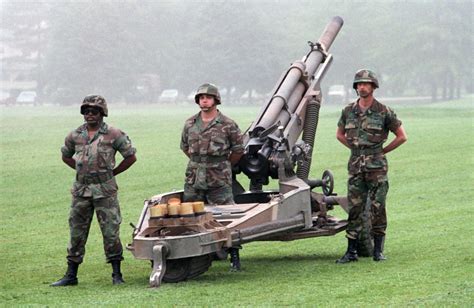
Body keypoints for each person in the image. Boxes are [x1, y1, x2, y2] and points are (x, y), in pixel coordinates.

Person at [51, 95, 137, 286]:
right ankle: (71, 275)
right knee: (76, 232)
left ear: (102, 113)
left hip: (105, 191)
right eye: (86, 111)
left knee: (111, 232)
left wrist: (112, 173)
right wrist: (81, 170)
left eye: (94, 111)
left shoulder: (114, 134)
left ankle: (117, 275)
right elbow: (65, 155)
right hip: (81, 190)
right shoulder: (75, 135)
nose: (90, 115)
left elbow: (130, 157)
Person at [335, 69, 407, 263]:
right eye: (359, 84)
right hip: (356, 166)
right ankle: (351, 252)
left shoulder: (384, 111)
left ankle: (378, 251)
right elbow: (340, 134)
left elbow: (402, 136)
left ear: (373, 87)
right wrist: (355, 149)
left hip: (377, 167)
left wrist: (382, 151)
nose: (362, 87)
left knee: (378, 206)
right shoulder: (348, 111)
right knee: (355, 208)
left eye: (366, 84)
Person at [180, 83, 244, 270]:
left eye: (207, 97)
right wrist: (199, 163)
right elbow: (185, 147)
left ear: (216, 100)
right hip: (194, 178)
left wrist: (223, 166)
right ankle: (195, 255)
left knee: (227, 216)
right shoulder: (190, 124)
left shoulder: (227, 124)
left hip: (219, 177)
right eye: (201, 98)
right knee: (191, 215)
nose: (204, 100)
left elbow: (238, 150)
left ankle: (234, 256)